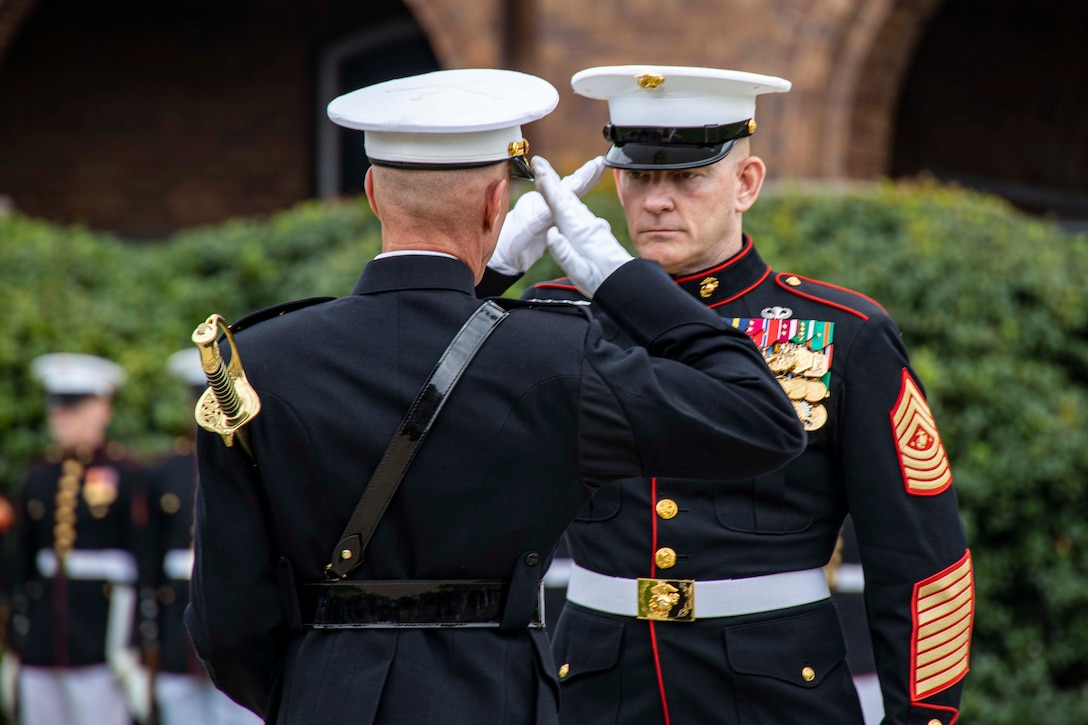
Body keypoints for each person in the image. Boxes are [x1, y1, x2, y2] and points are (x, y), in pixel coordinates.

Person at [184, 67, 805, 724]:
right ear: (494, 205)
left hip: (324, 695)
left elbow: (227, 619)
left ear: (371, 193)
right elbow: (761, 419)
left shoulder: (259, 358)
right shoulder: (555, 354)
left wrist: (317, 687)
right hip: (493, 694)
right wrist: (624, 278)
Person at [491, 65, 973, 725]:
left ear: (746, 183)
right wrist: (484, 280)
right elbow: (407, 403)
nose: (657, 200)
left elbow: (920, 557)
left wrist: (920, 719)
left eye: (688, 177)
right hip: (598, 684)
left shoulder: (842, 334)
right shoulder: (557, 319)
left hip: (776, 688)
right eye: (638, 176)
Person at [12, 353, 150, 725]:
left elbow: (142, 557)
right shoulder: (38, 477)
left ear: (102, 408)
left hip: (101, 632)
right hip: (43, 632)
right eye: (57, 407)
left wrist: (138, 635)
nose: (60, 416)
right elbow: (21, 560)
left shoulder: (126, 474)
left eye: (73, 406)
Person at [140, 349, 262, 725]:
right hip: (178, 628)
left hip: (239, 624)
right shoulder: (167, 471)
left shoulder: (254, 463)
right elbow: (150, 557)